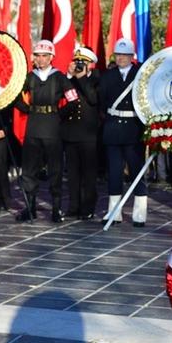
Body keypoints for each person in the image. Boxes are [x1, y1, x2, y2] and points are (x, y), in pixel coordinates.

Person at [14, 39, 69, 222]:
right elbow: (16, 96)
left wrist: (59, 115)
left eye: (45, 56)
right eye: (37, 55)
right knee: (29, 169)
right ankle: (30, 208)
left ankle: (56, 209)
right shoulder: (30, 77)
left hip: (52, 127)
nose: (41, 59)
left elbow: (73, 100)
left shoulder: (59, 77)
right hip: (33, 126)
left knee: (55, 169)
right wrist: (27, 109)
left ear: (51, 57)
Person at [98, 38, 147, 227]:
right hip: (113, 129)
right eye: (118, 54)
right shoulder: (107, 76)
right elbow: (102, 101)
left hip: (134, 128)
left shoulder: (141, 75)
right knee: (114, 172)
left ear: (132, 56)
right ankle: (114, 212)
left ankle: (139, 213)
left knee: (137, 171)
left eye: (125, 55)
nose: (121, 58)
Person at [60, 46, 100, 220]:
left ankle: (88, 207)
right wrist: (70, 76)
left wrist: (82, 77)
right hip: (71, 132)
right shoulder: (70, 79)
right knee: (73, 174)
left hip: (88, 134)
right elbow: (64, 96)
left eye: (82, 62)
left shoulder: (96, 79)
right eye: (76, 61)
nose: (79, 65)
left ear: (91, 64)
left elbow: (93, 98)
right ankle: (73, 206)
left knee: (88, 174)